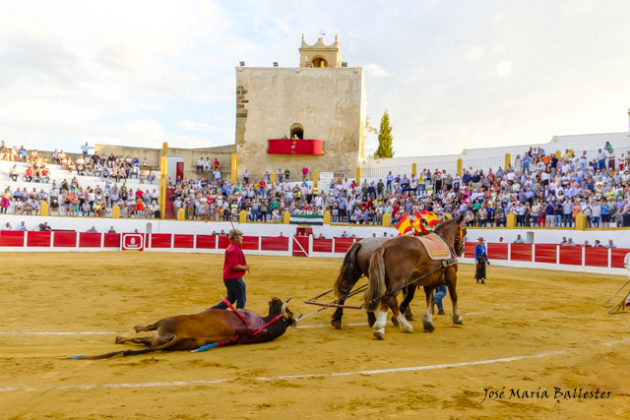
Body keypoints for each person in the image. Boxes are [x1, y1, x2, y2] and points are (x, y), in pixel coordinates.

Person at [211, 229, 249, 310]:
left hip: (229, 277)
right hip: (234, 278)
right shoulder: (234, 249)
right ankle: (239, 316)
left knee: (231, 298)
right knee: (241, 298)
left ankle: (213, 311)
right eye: (240, 236)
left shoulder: (233, 248)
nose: (242, 238)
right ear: (235, 238)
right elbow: (234, 266)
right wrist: (245, 267)